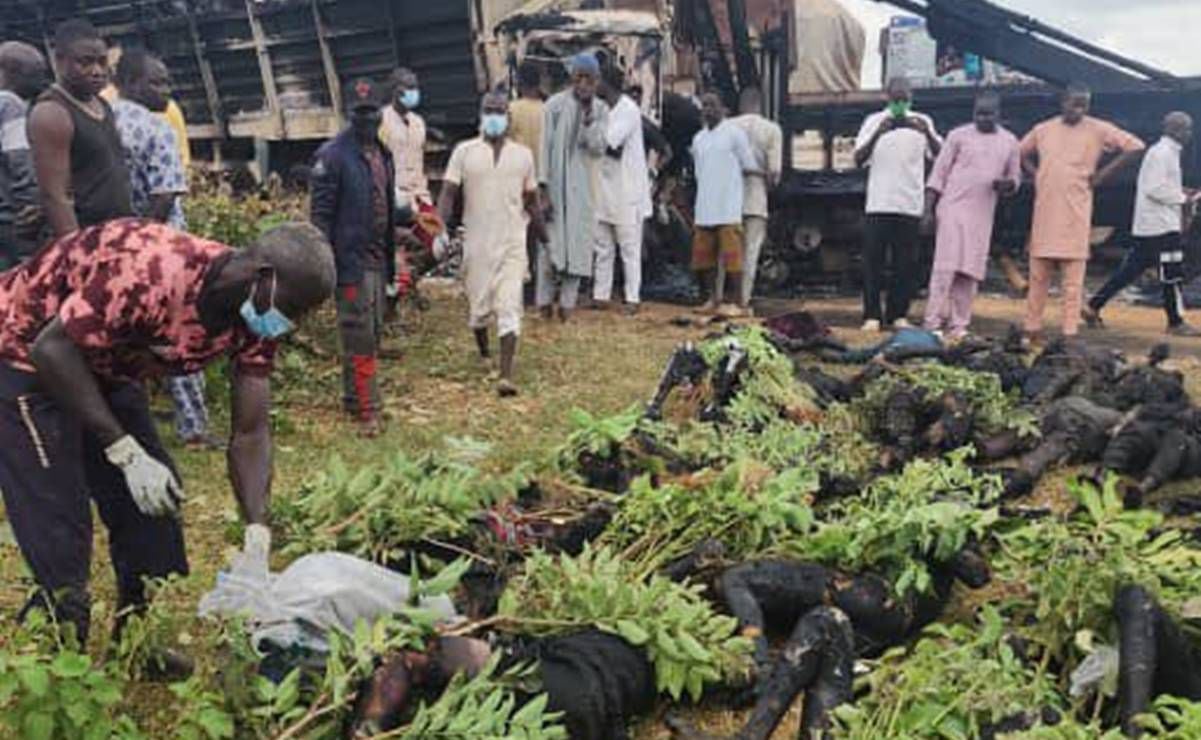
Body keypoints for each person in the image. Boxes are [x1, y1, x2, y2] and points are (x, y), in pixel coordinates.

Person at [0, 217, 334, 656]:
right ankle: (59, 670)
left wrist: (257, 528)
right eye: (295, 308)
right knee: (60, 529)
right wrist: (122, 449)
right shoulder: (152, 271)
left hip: (104, 364)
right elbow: (52, 349)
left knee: (154, 515)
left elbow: (251, 430)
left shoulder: (254, 320)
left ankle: (136, 645)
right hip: (23, 352)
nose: (296, 323)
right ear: (263, 278)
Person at [110, 49, 218, 449]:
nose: (167, 91)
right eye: (158, 82)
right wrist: (147, 245)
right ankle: (194, 428)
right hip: (161, 252)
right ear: (132, 83)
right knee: (181, 336)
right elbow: (165, 194)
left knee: (123, 339)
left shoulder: (102, 122)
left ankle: (128, 422)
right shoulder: (157, 130)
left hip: (114, 248)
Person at [437, 92, 545, 397]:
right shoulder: (464, 152)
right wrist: (438, 228)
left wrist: (545, 236)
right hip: (477, 243)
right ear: (481, 115)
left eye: (499, 111)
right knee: (479, 308)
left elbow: (532, 200)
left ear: (508, 118)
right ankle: (484, 351)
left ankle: (505, 374)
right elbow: (448, 193)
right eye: (489, 111)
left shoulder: (523, 156)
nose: (494, 117)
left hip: (513, 239)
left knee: (510, 304)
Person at [1020, 83, 1144, 342]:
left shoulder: (1098, 129)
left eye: (1083, 105)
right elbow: (1018, 152)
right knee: (1038, 277)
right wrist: (1037, 174)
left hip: (1076, 214)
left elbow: (1135, 146)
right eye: (1073, 103)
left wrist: (1102, 175)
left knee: (1073, 282)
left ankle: (1069, 333)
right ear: (1062, 102)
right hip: (1045, 215)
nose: (1077, 110)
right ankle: (1032, 329)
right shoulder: (1043, 130)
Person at [311, 78, 396, 434]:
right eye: (359, 113)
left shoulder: (383, 154)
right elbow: (320, 216)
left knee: (371, 332)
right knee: (358, 331)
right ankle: (368, 410)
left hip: (378, 258)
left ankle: (352, 397)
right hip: (349, 262)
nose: (366, 119)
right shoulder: (332, 156)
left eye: (372, 112)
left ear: (381, 113)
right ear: (350, 114)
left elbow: (385, 205)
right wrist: (326, 261)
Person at [1084, 112, 1201, 336]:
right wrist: (1184, 198)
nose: (1189, 133)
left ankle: (1093, 306)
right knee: (1171, 273)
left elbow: (1159, 186)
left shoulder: (1163, 153)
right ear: (1173, 130)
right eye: (1186, 129)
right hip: (1162, 226)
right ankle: (1176, 322)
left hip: (1151, 227)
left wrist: (1183, 192)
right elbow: (1155, 189)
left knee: (1130, 271)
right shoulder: (1163, 154)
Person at [921, 92, 1021, 341]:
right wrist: (928, 210)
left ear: (999, 114)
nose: (983, 118)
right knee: (946, 266)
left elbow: (1015, 179)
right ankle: (932, 322)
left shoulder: (1010, 141)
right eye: (979, 113)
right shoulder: (958, 135)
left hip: (982, 214)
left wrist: (1006, 185)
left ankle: (959, 325)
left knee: (970, 270)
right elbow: (938, 174)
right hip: (952, 208)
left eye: (988, 114)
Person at [853, 76, 943, 332]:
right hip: (878, 203)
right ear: (887, 97)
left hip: (909, 204)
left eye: (904, 99)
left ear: (911, 98)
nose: (900, 104)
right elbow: (858, 158)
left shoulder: (923, 121)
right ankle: (871, 315)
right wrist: (879, 133)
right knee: (873, 263)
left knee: (905, 264)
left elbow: (939, 155)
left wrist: (925, 132)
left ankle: (898, 314)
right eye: (896, 99)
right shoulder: (873, 121)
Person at [29, 19, 132, 238]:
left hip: (116, 231)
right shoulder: (51, 113)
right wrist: (75, 253)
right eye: (85, 62)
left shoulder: (101, 104)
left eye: (102, 62)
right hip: (87, 238)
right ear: (59, 61)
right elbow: (55, 196)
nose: (96, 71)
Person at [538, 53, 609, 321]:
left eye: (588, 79)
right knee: (549, 249)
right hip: (554, 189)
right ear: (572, 78)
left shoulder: (601, 110)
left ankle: (566, 309)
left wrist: (589, 117)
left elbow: (598, 146)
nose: (583, 84)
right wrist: (542, 188)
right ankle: (544, 306)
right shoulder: (554, 105)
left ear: (596, 81)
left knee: (579, 249)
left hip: (584, 192)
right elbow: (544, 146)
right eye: (579, 77)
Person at [691, 91, 759, 316]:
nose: (707, 109)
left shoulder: (734, 134)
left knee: (732, 258)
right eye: (704, 105)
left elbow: (748, 164)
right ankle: (713, 299)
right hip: (705, 206)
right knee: (705, 259)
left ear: (723, 108)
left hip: (729, 206)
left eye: (712, 105)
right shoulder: (698, 139)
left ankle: (740, 303)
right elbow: (698, 172)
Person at [593, 66, 651, 314]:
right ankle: (600, 295)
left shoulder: (628, 109)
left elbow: (611, 145)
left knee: (629, 247)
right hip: (604, 187)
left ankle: (632, 298)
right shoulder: (602, 109)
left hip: (627, 190)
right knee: (603, 246)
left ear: (607, 83)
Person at [732, 86, 783, 310]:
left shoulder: (727, 128)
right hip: (756, 195)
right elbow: (775, 173)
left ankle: (721, 298)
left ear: (741, 105)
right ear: (760, 105)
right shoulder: (771, 130)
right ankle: (743, 300)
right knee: (750, 252)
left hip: (727, 197)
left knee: (727, 250)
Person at [0, 41, 48, 269]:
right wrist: (31, 206)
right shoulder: (10, 105)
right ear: (10, 72)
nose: (41, 82)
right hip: (12, 221)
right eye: (34, 74)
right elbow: (19, 159)